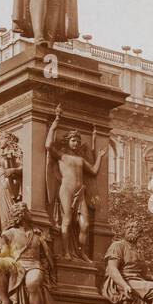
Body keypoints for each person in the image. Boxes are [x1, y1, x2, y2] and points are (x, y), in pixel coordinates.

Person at [44, 106, 105, 259]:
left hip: (80, 192)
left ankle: (81, 252)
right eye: (73, 140)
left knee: (85, 225)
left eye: (78, 141)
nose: (76, 143)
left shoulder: (81, 159)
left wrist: (100, 157)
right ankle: (65, 252)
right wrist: (55, 122)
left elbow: (94, 171)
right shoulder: (62, 155)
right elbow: (48, 146)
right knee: (67, 220)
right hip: (66, 190)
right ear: (67, 141)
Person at [0, 203, 55, 304]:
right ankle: (5, 301)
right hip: (17, 265)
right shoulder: (8, 234)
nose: (30, 214)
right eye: (27, 212)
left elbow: (46, 255)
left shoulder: (37, 233)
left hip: (34, 265)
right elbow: (5, 254)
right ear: (22, 215)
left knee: (32, 283)